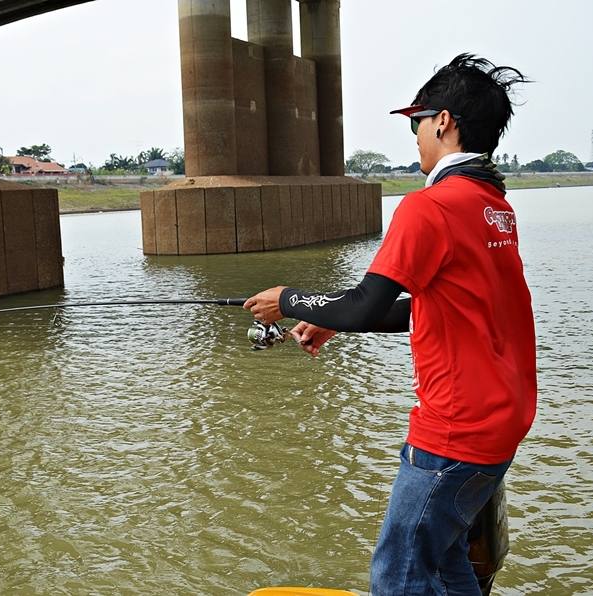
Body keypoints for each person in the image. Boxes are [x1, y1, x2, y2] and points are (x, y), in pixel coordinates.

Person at [243, 53, 536, 596]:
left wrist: (291, 300)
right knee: (446, 560)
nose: (415, 135)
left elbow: (364, 302)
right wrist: (335, 321)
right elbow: (443, 309)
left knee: (398, 574)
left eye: (416, 122)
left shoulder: (431, 207)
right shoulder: (494, 206)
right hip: (504, 420)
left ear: (442, 121)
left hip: (454, 431)